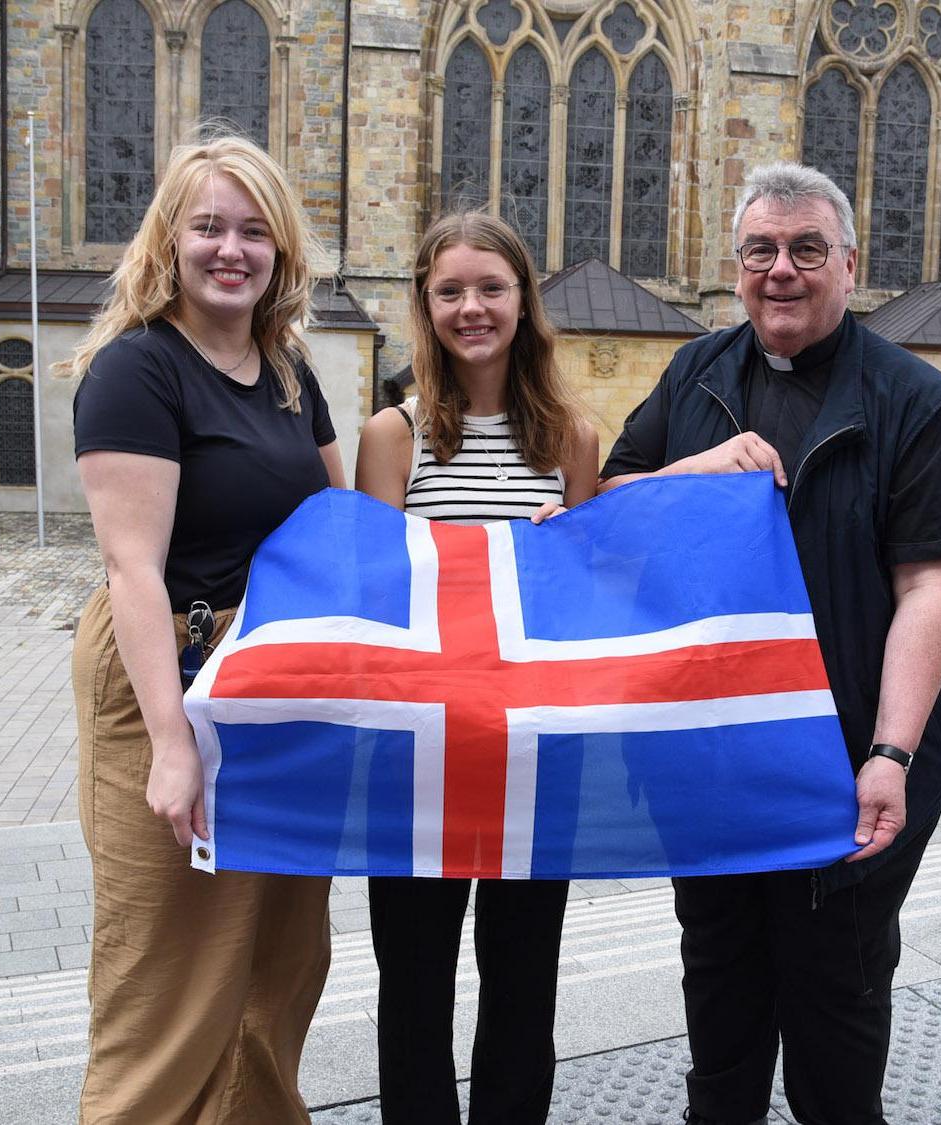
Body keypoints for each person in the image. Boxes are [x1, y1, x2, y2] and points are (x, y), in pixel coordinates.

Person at [599, 162, 941, 1125]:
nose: (782, 269)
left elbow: (928, 591)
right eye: (761, 251)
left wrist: (892, 754)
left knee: (835, 990)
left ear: (849, 265)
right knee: (723, 986)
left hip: (855, 755)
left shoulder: (916, 401)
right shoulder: (696, 373)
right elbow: (608, 506)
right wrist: (700, 466)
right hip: (717, 754)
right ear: (737, 268)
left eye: (806, 250)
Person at [67, 134, 343, 1124]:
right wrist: (173, 746)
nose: (232, 248)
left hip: (274, 686)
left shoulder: (285, 369)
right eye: (209, 227)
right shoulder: (138, 371)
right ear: (169, 240)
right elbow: (131, 568)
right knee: (170, 968)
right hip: (170, 675)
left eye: (253, 230)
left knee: (278, 960)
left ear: (280, 248)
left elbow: (336, 528)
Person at [354, 211, 599, 1124]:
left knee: (524, 980)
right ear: (426, 303)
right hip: (419, 753)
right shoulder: (395, 435)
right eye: (450, 289)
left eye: (491, 287)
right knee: (413, 985)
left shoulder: (569, 437)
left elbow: (583, 601)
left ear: (524, 301)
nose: (472, 307)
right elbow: (379, 598)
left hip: (536, 750)